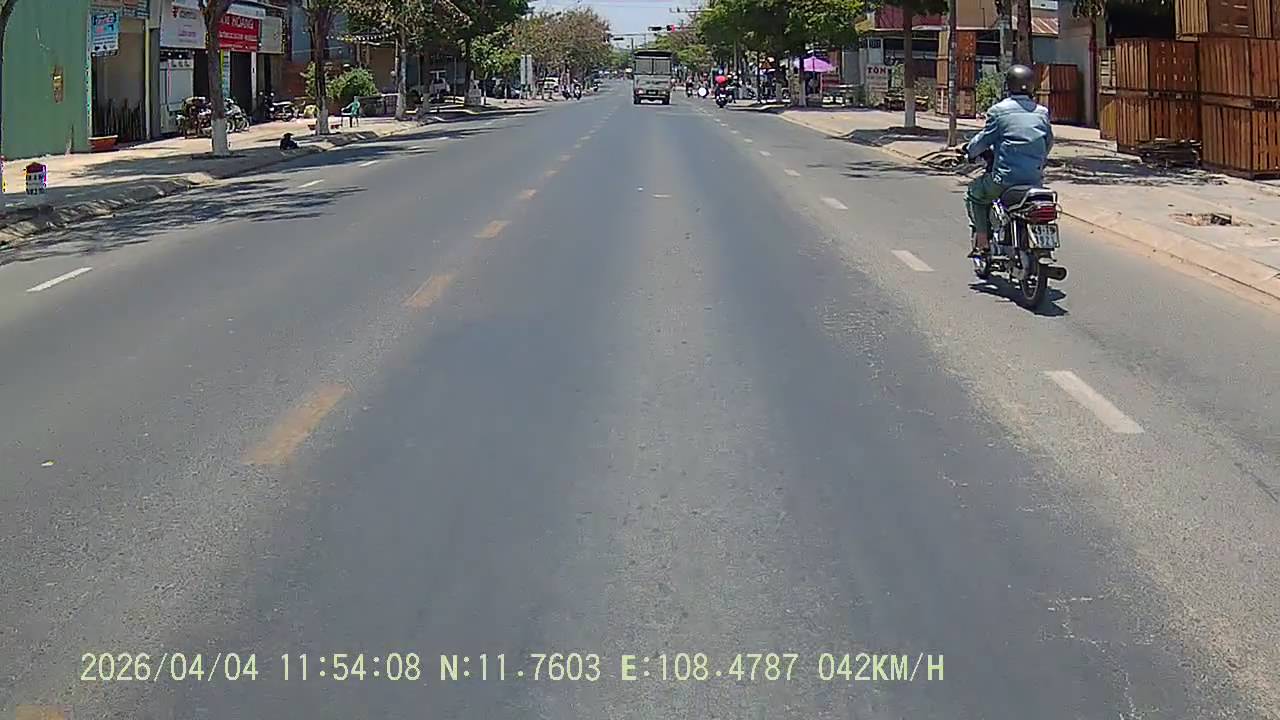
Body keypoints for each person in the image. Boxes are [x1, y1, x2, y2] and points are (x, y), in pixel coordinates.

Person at [963, 64, 1053, 257]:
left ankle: (982, 243)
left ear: (1008, 85)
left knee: (974, 194)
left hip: (1004, 180)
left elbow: (983, 140)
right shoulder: (1042, 113)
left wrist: (969, 152)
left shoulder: (998, 111)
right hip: (1034, 180)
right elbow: (1048, 143)